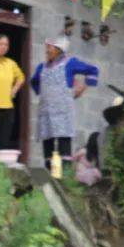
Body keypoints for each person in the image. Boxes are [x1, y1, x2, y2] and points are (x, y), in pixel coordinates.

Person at [31, 37, 100, 168]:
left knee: (63, 146)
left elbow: (93, 70)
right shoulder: (42, 67)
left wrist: (83, 87)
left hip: (63, 112)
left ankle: (64, 180)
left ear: (59, 50)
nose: (47, 50)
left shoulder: (70, 63)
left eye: (50, 48)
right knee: (48, 147)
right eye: (47, 48)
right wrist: (46, 94)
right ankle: (51, 178)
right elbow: (34, 81)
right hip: (46, 112)